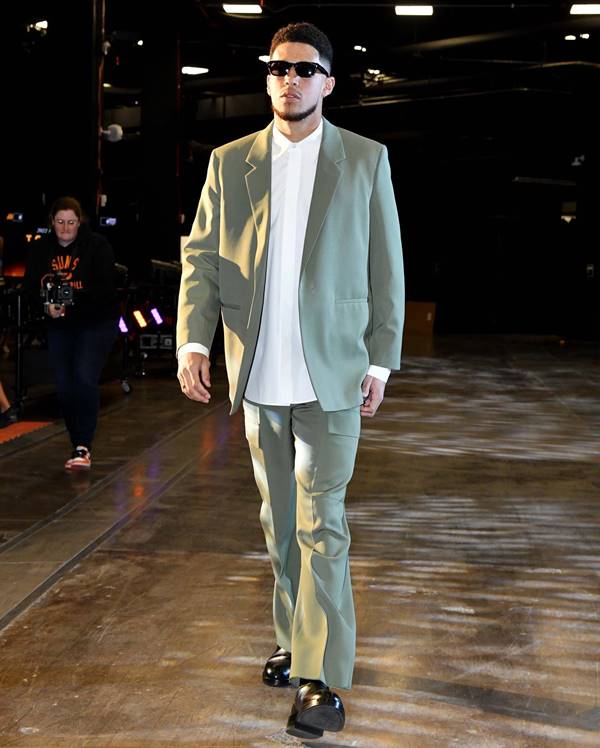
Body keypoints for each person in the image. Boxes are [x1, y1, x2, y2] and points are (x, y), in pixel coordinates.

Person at [176, 22, 404, 739]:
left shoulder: (365, 160)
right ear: (267, 78)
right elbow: (202, 258)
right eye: (278, 67)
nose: (290, 79)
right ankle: (294, 637)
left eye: (305, 70)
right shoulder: (230, 161)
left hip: (333, 374)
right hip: (258, 375)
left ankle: (320, 677)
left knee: (320, 524)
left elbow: (386, 268)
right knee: (280, 524)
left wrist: (380, 358)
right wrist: (192, 338)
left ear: (329, 83)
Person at [25, 196, 119, 469]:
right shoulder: (41, 250)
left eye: (71, 222)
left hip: (95, 322)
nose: (65, 228)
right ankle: (77, 440)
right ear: (52, 223)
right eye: (60, 222)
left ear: (80, 222)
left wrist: (71, 302)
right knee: (65, 385)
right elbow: (30, 288)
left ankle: (82, 446)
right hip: (60, 325)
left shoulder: (97, 246)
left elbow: (104, 290)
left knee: (84, 378)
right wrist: (47, 306)